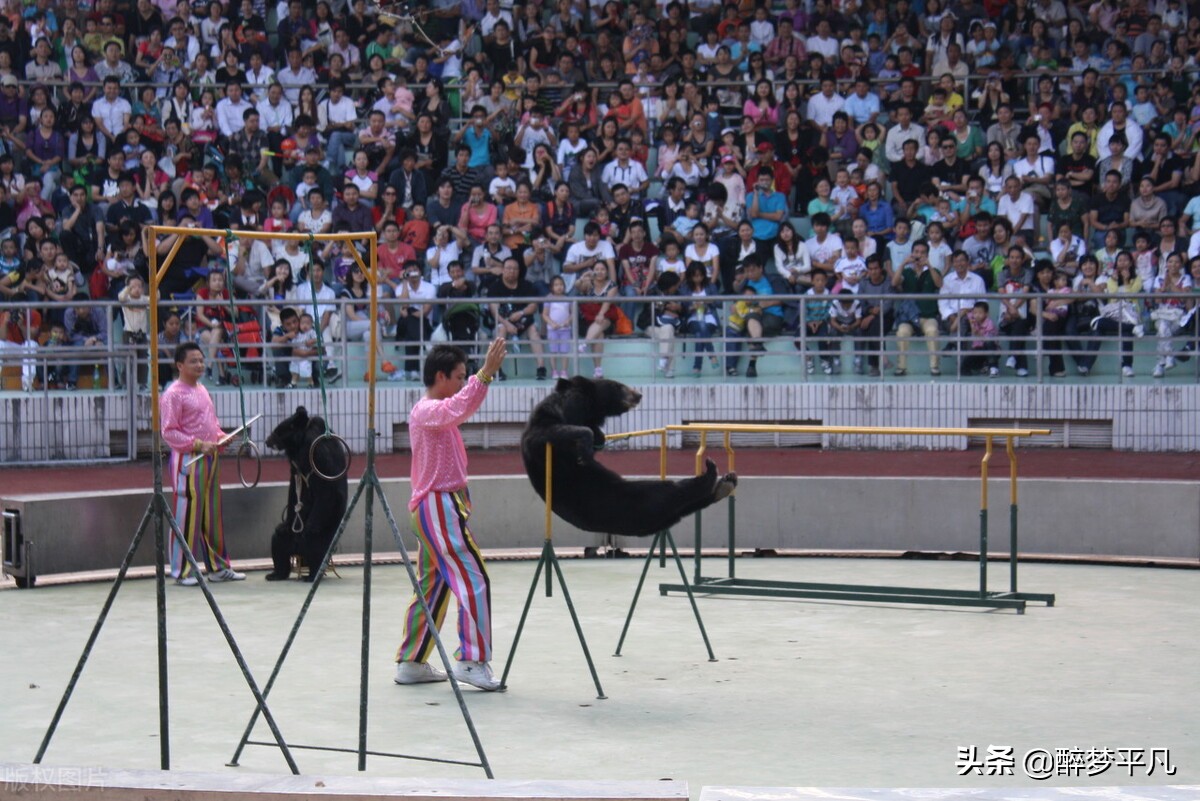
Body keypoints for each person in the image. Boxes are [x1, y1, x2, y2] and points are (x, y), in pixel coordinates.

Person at [393, 337, 508, 692]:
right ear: (441, 377)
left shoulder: (431, 413)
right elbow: (461, 405)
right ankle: (471, 659)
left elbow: (458, 406)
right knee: (473, 577)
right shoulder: (429, 411)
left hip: (435, 507)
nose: (462, 382)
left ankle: (412, 661)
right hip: (439, 506)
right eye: (459, 376)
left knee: (433, 585)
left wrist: (479, 379)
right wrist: (485, 376)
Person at [159, 342, 245, 586]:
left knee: (211, 513)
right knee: (187, 514)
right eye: (193, 361)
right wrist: (198, 444)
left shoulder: (202, 389)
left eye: (201, 360)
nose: (199, 365)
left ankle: (218, 567)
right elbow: (169, 432)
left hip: (210, 457)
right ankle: (181, 570)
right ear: (179, 365)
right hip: (189, 459)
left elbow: (211, 423)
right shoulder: (173, 394)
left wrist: (221, 437)